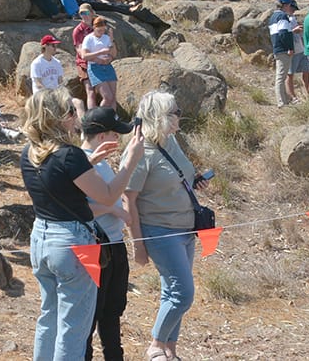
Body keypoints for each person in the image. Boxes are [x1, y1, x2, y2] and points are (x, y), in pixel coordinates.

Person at [20, 91, 143, 361]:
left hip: (41, 239)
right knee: (73, 328)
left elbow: (57, 179)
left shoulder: (29, 153)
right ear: (60, 118)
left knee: (48, 320)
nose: (77, 118)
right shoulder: (70, 155)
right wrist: (130, 161)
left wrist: (88, 163)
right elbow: (109, 195)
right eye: (72, 112)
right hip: (73, 244)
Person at [125, 90, 206, 361]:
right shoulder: (140, 152)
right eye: (174, 111)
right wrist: (138, 245)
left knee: (171, 291)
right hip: (160, 231)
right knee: (183, 293)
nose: (179, 115)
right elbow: (129, 201)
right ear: (159, 117)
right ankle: (156, 345)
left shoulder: (170, 141)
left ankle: (169, 350)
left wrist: (195, 181)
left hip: (185, 228)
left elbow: (179, 174)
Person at [80, 107, 138, 361]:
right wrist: (115, 211)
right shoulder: (80, 162)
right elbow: (79, 210)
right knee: (91, 314)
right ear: (102, 136)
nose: (119, 139)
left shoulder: (99, 162)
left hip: (114, 244)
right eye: (116, 133)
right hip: (96, 248)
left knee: (112, 311)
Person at [268, 0, 301, 108]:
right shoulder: (282, 16)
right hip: (283, 49)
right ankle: (281, 102)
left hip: (278, 48)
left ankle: (284, 100)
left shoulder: (273, 16)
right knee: (281, 77)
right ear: (286, 5)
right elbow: (283, 33)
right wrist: (289, 48)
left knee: (281, 76)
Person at [80, 16, 119, 108]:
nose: (101, 33)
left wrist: (112, 40)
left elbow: (114, 54)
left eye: (103, 30)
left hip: (107, 66)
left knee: (113, 97)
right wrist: (100, 53)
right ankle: (99, 117)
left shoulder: (106, 38)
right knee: (107, 97)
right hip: (95, 68)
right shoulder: (88, 39)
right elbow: (84, 56)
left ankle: (113, 119)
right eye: (99, 30)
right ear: (94, 27)